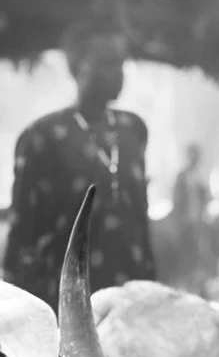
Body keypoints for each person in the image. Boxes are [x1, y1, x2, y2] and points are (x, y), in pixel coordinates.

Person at [5, 27, 155, 308]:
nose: (118, 72)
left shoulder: (133, 130)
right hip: (65, 295)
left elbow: (140, 218)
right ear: (77, 68)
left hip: (129, 296)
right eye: (106, 62)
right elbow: (22, 231)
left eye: (120, 63)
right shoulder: (43, 135)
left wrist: (151, 286)